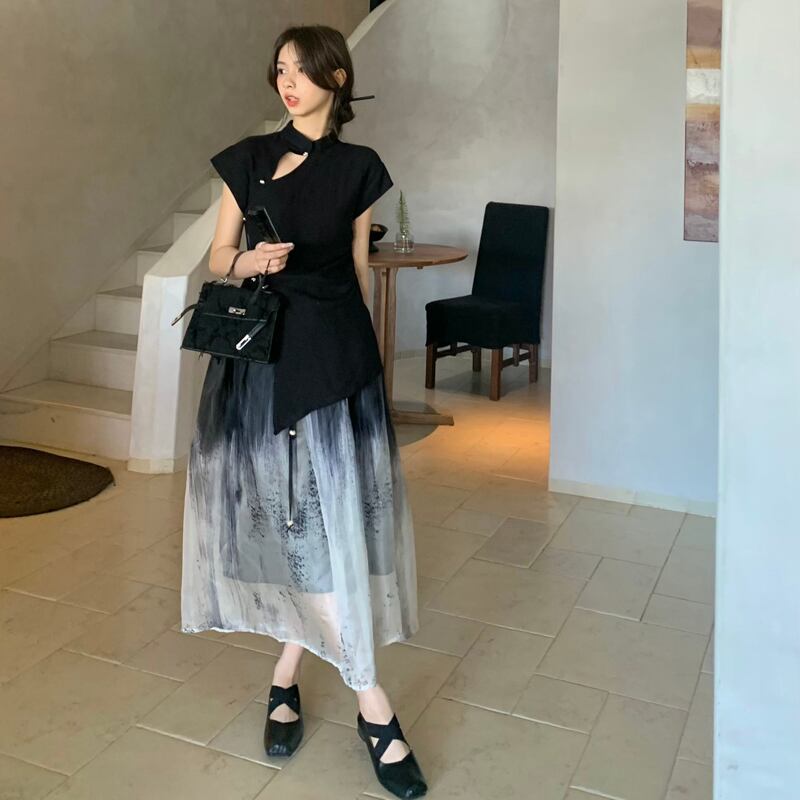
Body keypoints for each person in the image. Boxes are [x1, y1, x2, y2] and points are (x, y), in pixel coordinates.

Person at [179, 24, 427, 800]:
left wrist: (367, 363)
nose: (287, 82)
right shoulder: (248, 159)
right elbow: (218, 257)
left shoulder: (359, 168)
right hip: (265, 364)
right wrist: (248, 259)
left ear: (336, 78)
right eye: (280, 70)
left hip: (335, 359)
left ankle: (290, 678)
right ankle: (372, 707)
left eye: (302, 69)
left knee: (330, 526)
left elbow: (356, 265)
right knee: (291, 526)